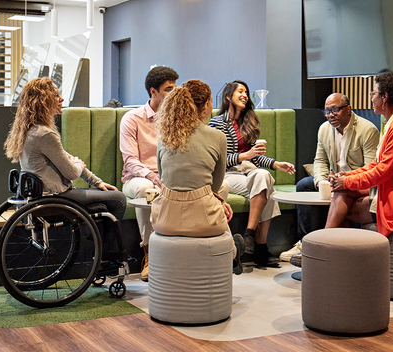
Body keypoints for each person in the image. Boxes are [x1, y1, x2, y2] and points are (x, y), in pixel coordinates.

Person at [4, 77, 127, 265]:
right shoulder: (46, 134)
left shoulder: (32, 130)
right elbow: (72, 172)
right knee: (118, 199)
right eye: (56, 95)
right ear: (43, 101)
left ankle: (98, 248)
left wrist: (98, 183)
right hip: (55, 197)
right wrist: (78, 164)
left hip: (40, 196)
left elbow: (70, 160)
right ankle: (105, 255)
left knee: (103, 204)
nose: (61, 99)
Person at [150, 80, 245, 274]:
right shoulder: (217, 136)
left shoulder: (164, 136)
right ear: (206, 105)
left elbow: (164, 178)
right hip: (204, 221)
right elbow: (215, 185)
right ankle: (233, 253)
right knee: (226, 232)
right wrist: (216, 201)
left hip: (165, 219)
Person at [326, 71, 393, 237]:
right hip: (391, 194)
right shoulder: (392, 123)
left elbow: (382, 172)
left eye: (373, 93)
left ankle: (324, 248)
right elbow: (376, 164)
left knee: (341, 204)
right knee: (341, 198)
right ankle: (334, 253)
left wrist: (347, 182)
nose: (371, 98)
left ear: (385, 97)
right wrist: (347, 176)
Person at [280, 93, 379, 262]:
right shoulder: (324, 129)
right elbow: (319, 160)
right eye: (326, 111)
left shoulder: (367, 130)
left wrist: (345, 179)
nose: (330, 115)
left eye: (335, 109)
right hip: (333, 180)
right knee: (304, 185)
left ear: (348, 110)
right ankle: (307, 239)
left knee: (343, 191)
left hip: (357, 183)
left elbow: (370, 169)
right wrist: (321, 181)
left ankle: (319, 246)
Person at [208, 80, 295, 267]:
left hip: (249, 172)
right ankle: (261, 247)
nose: (245, 95)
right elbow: (218, 159)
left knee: (264, 177)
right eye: (240, 91)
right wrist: (244, 156)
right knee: (267, 188)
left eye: (246, 92)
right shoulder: (217, 123)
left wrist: (276, 164)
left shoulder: (249, 122)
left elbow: (254, 158)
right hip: (227, 174)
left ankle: (248, 234)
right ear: (227, 96)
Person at [119, 65, 178, 281]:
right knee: (147, 189)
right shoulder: (132, 118)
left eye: (175, 89)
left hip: (168, 176)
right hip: (137, 178)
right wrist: (153, 176)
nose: (174, 94)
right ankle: (149, 254)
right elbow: (130, 160)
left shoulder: (176, 120)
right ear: (153, 91)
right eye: (168, 90)